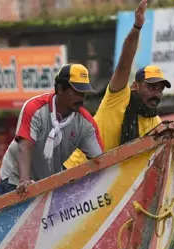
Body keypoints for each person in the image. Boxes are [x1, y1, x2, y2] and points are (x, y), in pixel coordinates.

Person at [65, 0, 168, 171]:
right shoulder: (119, 97)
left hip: (105, 184)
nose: (156, 94)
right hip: (75, 173)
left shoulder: (156, 125)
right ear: (135, 86)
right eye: (151, 87)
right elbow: (124, 65)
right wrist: (136, 28)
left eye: (160, 89)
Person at [0, 63, 103, 196]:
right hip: (15, 180)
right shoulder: (34, 108)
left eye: (83, 93)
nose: (80, 98)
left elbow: (100, 160)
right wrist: (24, 181)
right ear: (59, 89)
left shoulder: (85, 124)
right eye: (76, 92)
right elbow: (25, 146)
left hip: (48, 184)